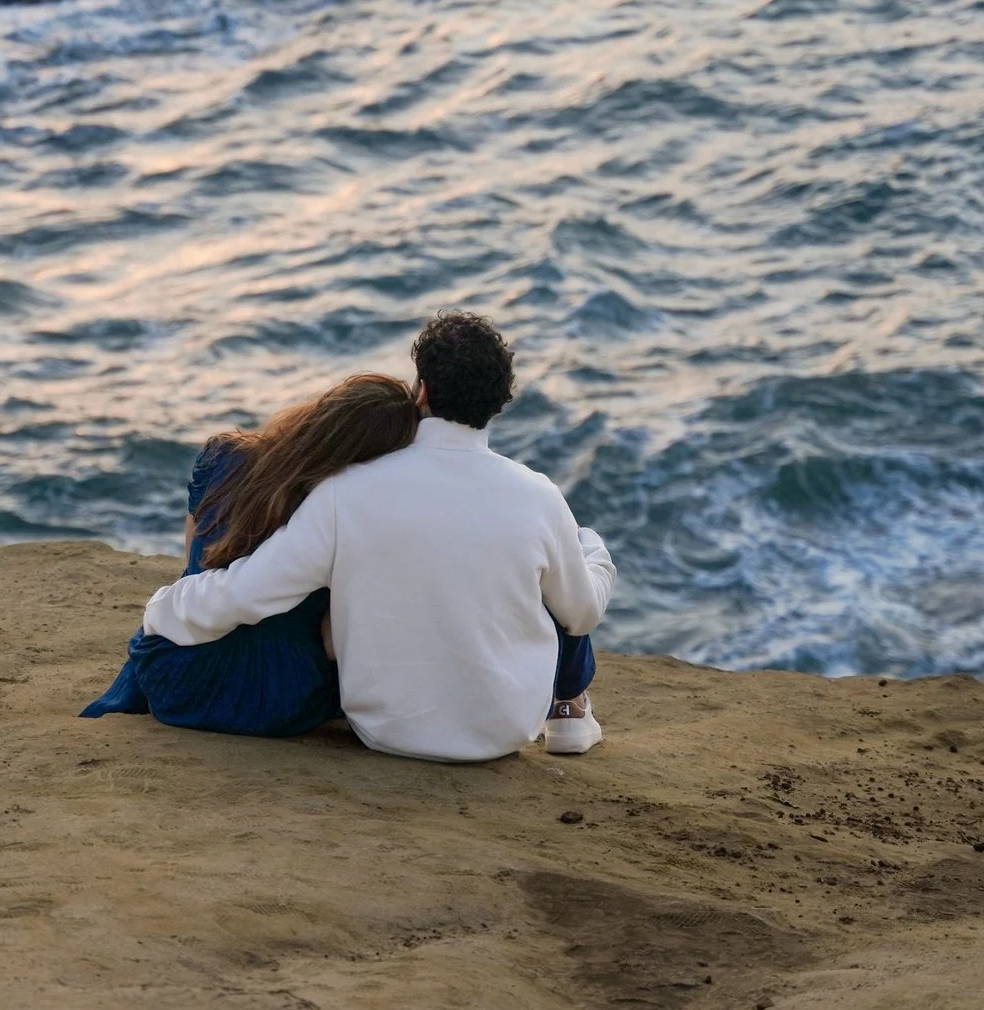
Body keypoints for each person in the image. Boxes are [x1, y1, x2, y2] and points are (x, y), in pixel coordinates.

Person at [141, 312, 614, 762]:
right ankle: (570, 712)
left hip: (387, 732)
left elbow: (248, 593)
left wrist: (167, 605)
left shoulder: (345, 492)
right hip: (504, 730)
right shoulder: (537, 496)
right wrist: (591, 550)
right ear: (499, 403)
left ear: (422, 390)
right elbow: (581, 613)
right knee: (565, 556)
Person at [82, 373, 418, 735]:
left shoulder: (224, 457)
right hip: (282, 698)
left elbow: (193, 571)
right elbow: (333, 643)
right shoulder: (344, 510)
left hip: (176, 677)